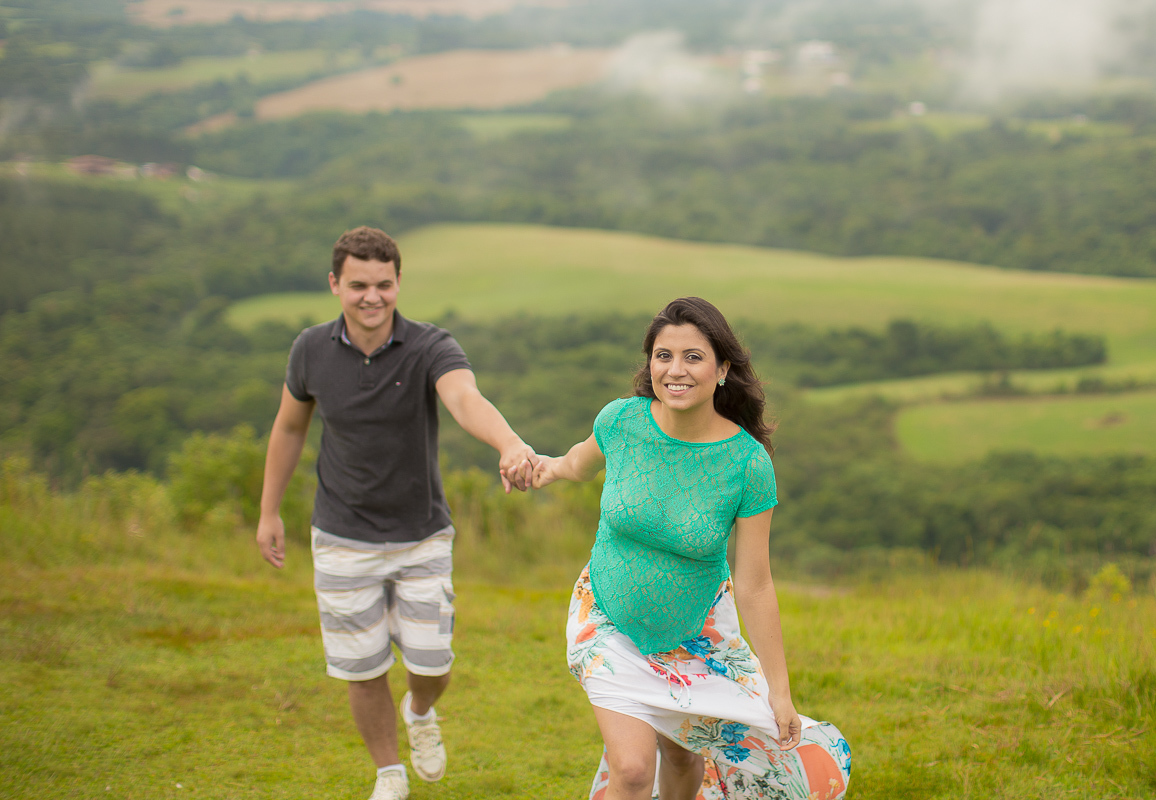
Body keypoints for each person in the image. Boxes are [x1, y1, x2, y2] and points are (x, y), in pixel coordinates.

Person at [255, 226, 537, 800]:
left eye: (384, 284)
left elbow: (464, 398)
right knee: (361, 668)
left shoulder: (431, 345)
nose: (372, 297)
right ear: (335, 284)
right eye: (358, 284)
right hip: (339, 534)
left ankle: (420, 711)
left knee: (432, 663)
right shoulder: (309, 349)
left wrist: (510, 444)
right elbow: (288, 428)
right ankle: (389, 773)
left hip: (420, 535)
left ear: (399, 283)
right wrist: (269, 512)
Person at [532, 297, 851, 800]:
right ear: (650, 364)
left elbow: (755, 582)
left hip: (697, 632)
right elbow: (576, 463)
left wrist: (780, 691)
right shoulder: (621, 422)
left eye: (693, 357)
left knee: (682, 755)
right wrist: (542, 468)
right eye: (663, 356)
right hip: (608, 615)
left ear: (723, 369)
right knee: (634, 769)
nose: (674, 370)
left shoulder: (747, 465)